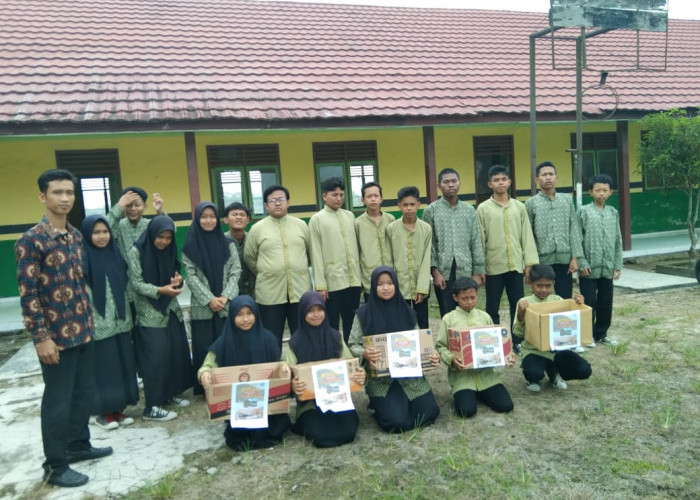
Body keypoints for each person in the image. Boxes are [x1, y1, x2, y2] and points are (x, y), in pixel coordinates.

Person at [15, 169, 111, 488]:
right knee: (57, 402)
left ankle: (78, 445)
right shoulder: (31, 241)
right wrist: (41, 338)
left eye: (69, 192)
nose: (65, 198)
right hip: (55, 339)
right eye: (57, 192)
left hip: (83, 331)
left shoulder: (75, 236)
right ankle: (55, 466)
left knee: (83, 395)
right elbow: (29, 296)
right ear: (43, 196)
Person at [348, 266, 440, 433]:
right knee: (396, 422)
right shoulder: (363, 314)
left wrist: (431, 355)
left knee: (430, 413)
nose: (385, 288)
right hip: (382, 379)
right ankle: (378, 405)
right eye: (380, 284)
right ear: (373, 287)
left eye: (390, 283)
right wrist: (364, 353)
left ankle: (400, 404)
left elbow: (419, 343)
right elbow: (352, 344)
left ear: (396, 285)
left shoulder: (408, 312)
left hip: (410, 377)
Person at [198, 296, 292, 451]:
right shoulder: (223, 342)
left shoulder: (268, 339)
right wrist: (205, 374)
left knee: (269, 430)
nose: (245, 319)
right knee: (242, 435)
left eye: (249, 313)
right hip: (239, 407)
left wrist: (284, 367)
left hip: (267, 404)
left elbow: (278, 363)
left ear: (256, 314)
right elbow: (206, 366)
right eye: (239, 314)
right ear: (232, 317)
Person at [126, 216, 193, 421]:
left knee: (174, 351)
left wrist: (177, 281)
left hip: (170, 308)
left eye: (167, 238)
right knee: (155, 358)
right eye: (160, 237)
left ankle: (170, 393)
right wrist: (159, 290)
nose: (163, 241)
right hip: (149, 312)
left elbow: (175, 275)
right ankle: (152, 406)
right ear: (151, 234)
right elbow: (136, 284)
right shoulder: (136, 251)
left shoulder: (169, 251)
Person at [80, 215, 138, 430]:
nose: (102, 236)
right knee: (105, 367)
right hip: (99, 322)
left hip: (121, 321)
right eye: (96, 232)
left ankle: (119, 409)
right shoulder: (83, 257)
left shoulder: (115, 254)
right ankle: (104, 412)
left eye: (105, 232)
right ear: (87, 234)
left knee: (123, 364)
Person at [286, 291, 365, 447]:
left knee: (349, 431)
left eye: (319, 309)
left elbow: (350, 365)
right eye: (310, 311)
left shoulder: (336, 337)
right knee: (321, 437)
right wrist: (292, 386)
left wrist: (360, 374)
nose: (316, 315)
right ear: (302, 313)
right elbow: (289, 376)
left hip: (337, 398)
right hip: (310, 403)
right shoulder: (294, 343)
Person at [476, 165, 539, 351]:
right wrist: (480, 269)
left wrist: (529, 264)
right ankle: (494, 342)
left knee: (517, 305)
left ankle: (517, 341)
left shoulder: (519, 207)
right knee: (492, 307)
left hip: (515, 266)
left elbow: (527, 236)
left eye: (504, 179)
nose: (500, 182)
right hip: (493, 266)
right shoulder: (483, 209)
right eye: (496, 180)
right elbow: (480, 239)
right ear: (490, 184)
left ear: (509, 182)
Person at [183, 202, 241, 395]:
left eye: (212, 216)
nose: (208, 220)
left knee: (228, 345)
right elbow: (190, 276)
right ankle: (206, 387)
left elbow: (236, 270)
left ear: (217, 219)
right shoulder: (189, 246)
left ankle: (229, 382)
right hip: (203, 307)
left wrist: (225, 296)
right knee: (205, 345)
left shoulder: (228, 244)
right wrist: (210, 299)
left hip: (226, 305)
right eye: (204, 216)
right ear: (197, 219)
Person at [435, 277, 514, 418]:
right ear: (455, 298)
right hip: (462, 377)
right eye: (464, 298)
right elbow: (441, 346)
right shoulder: (449, 319)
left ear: (477, 295)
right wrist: (451, 359)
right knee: (467, 411)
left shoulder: (484, 317)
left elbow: (496, 342)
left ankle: (482, 393)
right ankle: (466, 393)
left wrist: (507, 354)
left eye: (473, 297)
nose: (469, 302)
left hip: (486, 375)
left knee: (506, 406)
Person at [244, 185, 312, 345]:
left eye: (281, 199)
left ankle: (299, 368)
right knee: (271, 337)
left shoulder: (301, 225)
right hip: (270, 293)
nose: (277, 203)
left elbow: (309, 253)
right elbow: (249, 258)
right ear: (266, 205)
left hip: (300, 289)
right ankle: (273, 368)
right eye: (272, 201)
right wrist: (267, 270)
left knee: (302, 336)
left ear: (288, 202)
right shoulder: (257, 229)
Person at [513, 264, 592, 392]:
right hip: (534, 350)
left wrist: (580, 306)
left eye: (548, 286)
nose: (544, 290)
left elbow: (573, 324)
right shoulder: (524, 303)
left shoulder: (558, 300)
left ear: (553, 283)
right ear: (530, 283)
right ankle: (533, 377)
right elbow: (518, 333)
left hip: (557, 350)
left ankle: (554, 372)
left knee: (584, 370)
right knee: (534, 373)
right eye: (539, 285)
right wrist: (520, 314)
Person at [423, 168, 485, 316]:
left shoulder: (469, 210)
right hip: (444, 271)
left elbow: (476, 240)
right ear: (439, 186)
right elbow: (429, 245)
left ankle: (467, 339)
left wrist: (478, 271)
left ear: (459, 184)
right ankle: (451, 339)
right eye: (446, 182)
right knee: (447, 311)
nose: (450, 185)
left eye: (454, 181)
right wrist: (435, 273)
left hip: (466, 268)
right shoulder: (430, 211)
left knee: (468, 308)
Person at [309, 177, 362, 341]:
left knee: (351, 321)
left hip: (353, 280)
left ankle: (351, 355)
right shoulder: (317, 219)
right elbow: (315, 253)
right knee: (331, 322)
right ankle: (334, 355)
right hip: (331, 283)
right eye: (334, 195)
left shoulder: (350, 216)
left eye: (341, 194)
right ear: (324, 196)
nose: (339, 198)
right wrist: (320, 285)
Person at [525, 161, 584, 299]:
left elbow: (574, 229)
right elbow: (528, 236)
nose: (548, 177)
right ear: (536, 179)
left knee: (565, 297)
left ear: (556, 178)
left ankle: (564, 321)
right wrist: (530, 263)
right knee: (542, 297)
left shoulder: (567, 200)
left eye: (551, 174)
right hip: (542, 260)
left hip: (565, 259)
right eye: (544, 175)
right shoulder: (531, 203)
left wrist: (575, 257)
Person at [578, 174, 623, 347]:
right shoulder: (584, 212)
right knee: (589, 302)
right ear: (591, 192)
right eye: (598, 190)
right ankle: (587, 335)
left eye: (605, 190)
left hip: (608, 266)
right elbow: (577, 239)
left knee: (606, 302)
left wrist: (617, 265)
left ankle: (601, 333)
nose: (601, 194)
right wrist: (582, 262)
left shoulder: (613, 213)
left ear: (611, 192)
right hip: (588, 268)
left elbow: (618, 240)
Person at [385, 186, 432, 329]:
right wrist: (392, 285)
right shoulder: (391, 229)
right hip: (400, 284)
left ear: (418, 204)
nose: (409, 208)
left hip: (419, 285)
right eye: (405, 205)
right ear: (399, 206)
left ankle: (424, 349)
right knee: (401, 321)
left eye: (412, 204)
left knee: (422, 319)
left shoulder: (426, 229)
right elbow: (389, 259)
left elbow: (426, 260)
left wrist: (423, 288)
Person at [354, 181, 395, 302]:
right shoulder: (358, 223)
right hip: (369, 277)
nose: (373, 199)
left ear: (381, 198)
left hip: (390, 274)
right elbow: (357, 251)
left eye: (376, 196)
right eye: (369, 196)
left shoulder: (390, 219)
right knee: (374, 315)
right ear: (363, 200)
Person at [224, 201, 255, 297]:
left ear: (248, 220)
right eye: (234, 214)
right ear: (226, 220)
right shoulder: (220, 242)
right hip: (228, 292)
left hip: (253, 291)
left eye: (242, 215)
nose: (238, 217)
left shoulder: (254, 239)